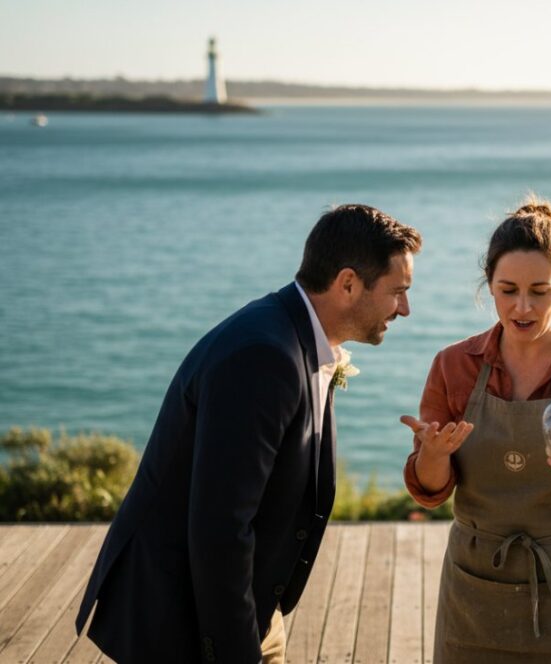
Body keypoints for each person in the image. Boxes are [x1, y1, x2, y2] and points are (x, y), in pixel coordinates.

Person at [76, 204, 421, 664]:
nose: (405, 309)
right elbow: (220, 527)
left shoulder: (300, 337)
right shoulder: (265, 356)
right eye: (397, 292)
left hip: (246, 609)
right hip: (185, 623)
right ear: (347, 284)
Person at [401, 198, 551, 663]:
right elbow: (430, 493)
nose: (522, 306)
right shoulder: (454, 366)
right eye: (507, 289)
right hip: (476, 587)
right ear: (488, 286)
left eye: (540, 291)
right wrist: (432, 456)